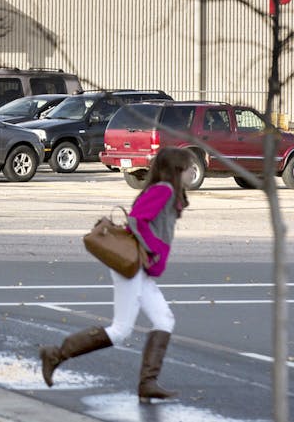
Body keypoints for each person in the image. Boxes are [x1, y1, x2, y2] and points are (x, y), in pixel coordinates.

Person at [39, 147, 196, 402]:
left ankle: (147, 384)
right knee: (121, 329)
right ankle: (55, 354)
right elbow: (136, 220)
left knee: (164, 320)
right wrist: (153, 250)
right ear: (178, 170)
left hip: (141, 271)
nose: (194, 172)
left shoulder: (170, 192)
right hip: (131, 268)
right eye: (190, 167)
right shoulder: (164, 190)